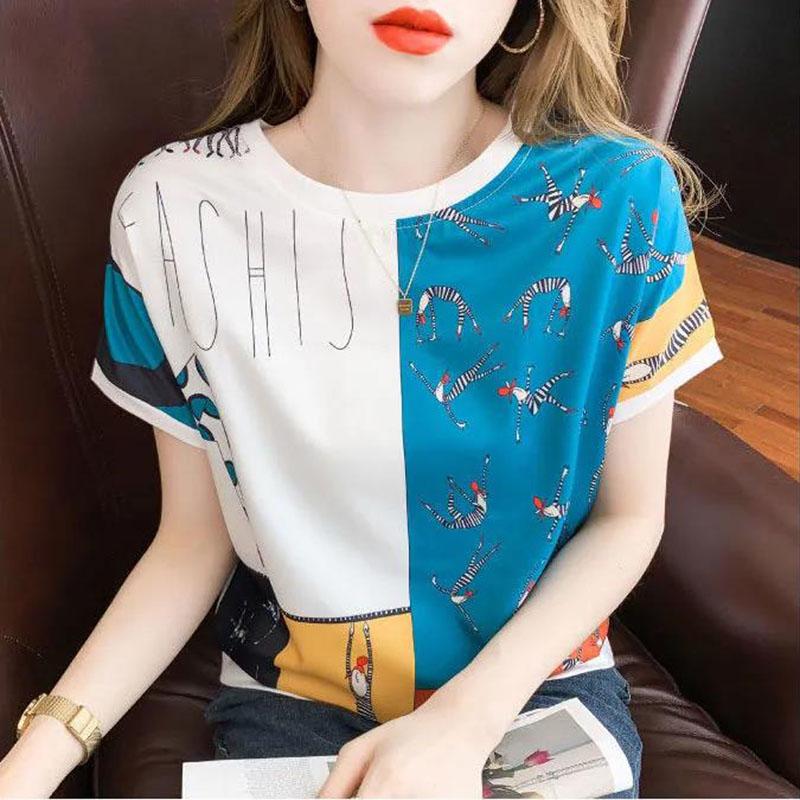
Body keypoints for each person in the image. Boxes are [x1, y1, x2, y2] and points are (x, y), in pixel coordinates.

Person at [0, 0, 725, 797]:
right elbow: (191, 542)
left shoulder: (620, 199)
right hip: (295, 695)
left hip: (532, 685)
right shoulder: (170, 212)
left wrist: (464, 720)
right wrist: (30, 767)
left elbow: (631, 518)